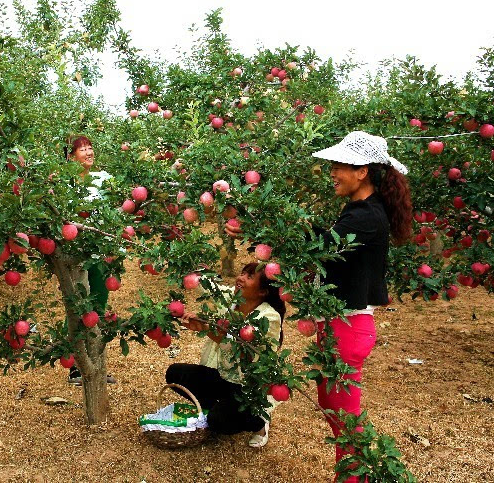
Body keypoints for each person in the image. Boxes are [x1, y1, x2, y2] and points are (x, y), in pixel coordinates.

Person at [227, 130, 412, 480]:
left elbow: (321, 246)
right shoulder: (360, 210)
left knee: (345, 420)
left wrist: (263, 228)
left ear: (361, 171)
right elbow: (324, 242)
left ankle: (355, 476)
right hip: (339, 327)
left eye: (339, 166)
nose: (332, 173)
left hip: (349, 329)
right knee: (332, 408)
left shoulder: (366, 217)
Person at [165, 262, 285, 447]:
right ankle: (223, 409)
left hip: (247, 385)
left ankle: (259, 422)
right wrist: (192, 268)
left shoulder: (268, 318)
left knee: (218, 421)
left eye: (249, 276)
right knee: (175, 374)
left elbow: (240, 348)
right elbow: (213, 289)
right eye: (243, 273)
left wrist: (207, 330)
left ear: (262, 292)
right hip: (222, 374)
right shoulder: (232, 300)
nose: (241, 278)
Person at [64, 135, 116, 385]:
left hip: (101, 252)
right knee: (79, 305)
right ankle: (77, 366)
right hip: (76, 253)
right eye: (82, 149)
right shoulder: (67, 183)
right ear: (72, 156)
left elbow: (113, 214)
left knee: (99, 305)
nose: (88, 152)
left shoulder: (104, 179)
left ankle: (96, 363)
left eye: (90, 148)